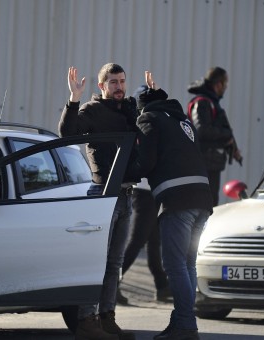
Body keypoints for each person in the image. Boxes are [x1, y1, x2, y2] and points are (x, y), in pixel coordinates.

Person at [58, 63, 140, 340]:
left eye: (122, 81)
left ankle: (107, 318)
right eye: (113, 82)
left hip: (128, 195)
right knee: (97, 261)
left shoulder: (130, 110)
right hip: (103, 194)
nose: (119, 87)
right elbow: (66, 135)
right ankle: (86, 320)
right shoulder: (91, 111)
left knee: (115, 263)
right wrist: (73, 99)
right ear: (102, 86)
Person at [134, 72, 213, 340]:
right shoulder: (182, 120)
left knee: (175, 265)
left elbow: (145, 162)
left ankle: (186, 326)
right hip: (202, 198)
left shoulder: (148, 118)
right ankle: (182, 320)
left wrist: (124, 172)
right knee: (188, 264)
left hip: (177, 200)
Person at [117, 85, 171, 306]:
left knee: (154, 240)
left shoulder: (150, 122)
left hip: (152, 191)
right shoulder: (142, 124)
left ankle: (162, 286)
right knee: (137, 240)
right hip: (143, 192)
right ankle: (113, 284)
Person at [187, 67, 242, 206]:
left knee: (210, 204)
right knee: (204, 206)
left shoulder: (212, 102)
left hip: (210, 164)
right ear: (218, 84)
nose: (226, 87)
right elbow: (201, 130)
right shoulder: (203, 102)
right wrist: (225, 135)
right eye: (225, 83)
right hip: (204, 163)